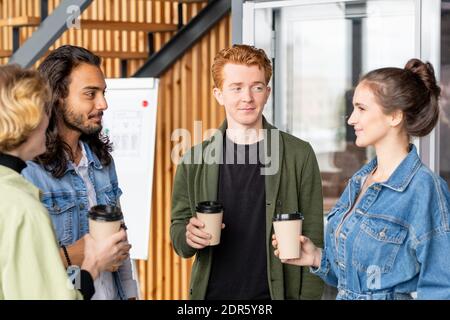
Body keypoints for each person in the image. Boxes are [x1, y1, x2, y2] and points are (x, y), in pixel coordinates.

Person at [273, 58, 450, 300]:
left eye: (362, 108)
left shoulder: (425, 189)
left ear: (395, 116)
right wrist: (315, 256)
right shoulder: (361, 179)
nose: (351, 119)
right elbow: (354, 277)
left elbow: (442, 287)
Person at [171, 44, 324, 300]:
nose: (247, 97)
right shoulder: (194, 159)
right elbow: (178, 233)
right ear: (218, 94)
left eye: (257, 87)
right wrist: (188, 236)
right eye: (236, 87)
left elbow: (315, 238)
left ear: (268, 92)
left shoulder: (299, 154)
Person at [0, 64, 129, 299]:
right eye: (42, 110)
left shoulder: (12, 193)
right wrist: (93, 264)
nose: (102, 104)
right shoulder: (24, 207)